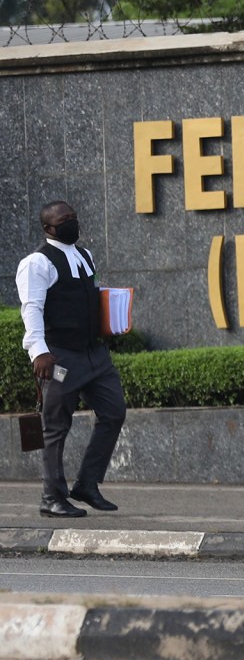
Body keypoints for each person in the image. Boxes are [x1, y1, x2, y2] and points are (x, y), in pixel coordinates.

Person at [15, 200, 126, 518]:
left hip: (94, 355)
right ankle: (51, 496)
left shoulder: (85, 255)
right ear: (49, 228)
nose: (72, 224)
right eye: (65, 220)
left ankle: (87, 484)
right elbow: (31, 308)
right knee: (55, 426)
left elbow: (88, 296)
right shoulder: (36, 263)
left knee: (114, 411)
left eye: (74, 218)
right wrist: (39, 351)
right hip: (60, 357)